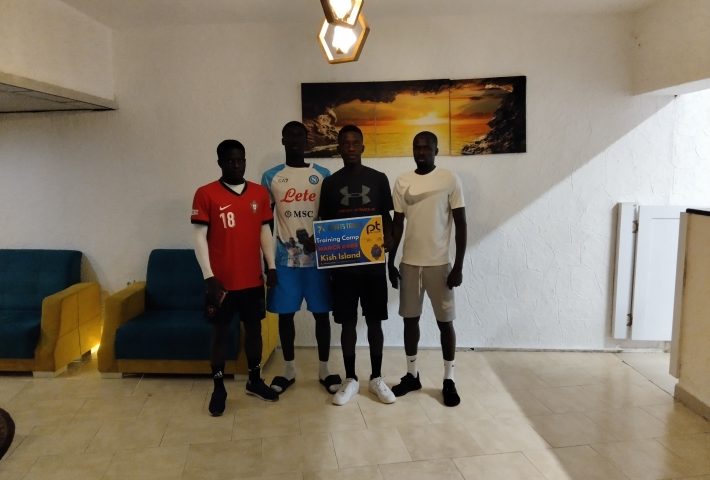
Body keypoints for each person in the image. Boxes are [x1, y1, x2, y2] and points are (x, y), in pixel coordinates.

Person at [191, 139, 279, 417]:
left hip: (252, 280)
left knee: (254, 331)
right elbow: (199, 237)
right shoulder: (206, 193)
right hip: (221, 283)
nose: (236, 165)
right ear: (220, 162)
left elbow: (265, 231)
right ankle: (218, 388)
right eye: (230, 160)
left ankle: (254, 381)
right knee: (219, 333)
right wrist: (208, 276)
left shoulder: (259, 193)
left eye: (240, 160)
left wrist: (271, 266)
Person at [261, 121, 342, 396]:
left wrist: (328, 246)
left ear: (308, 140)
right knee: (285, 316)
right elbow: (265, 224)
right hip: (285, 261)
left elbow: (330, 218)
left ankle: (324, 369)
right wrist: (269, 262)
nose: (295, 140)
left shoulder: (323, 175)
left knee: (322, 315)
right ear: (283, 140)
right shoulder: (271, 177)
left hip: (318, 262)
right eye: (290, 135)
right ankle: (288, 370)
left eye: (300, 135)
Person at [318, 124, 396, 406]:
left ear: (363, 147)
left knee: (375, 321)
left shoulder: (378, 179)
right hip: (343, 268)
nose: (350, 147)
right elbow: (326, 224)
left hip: (372, 265)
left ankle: (376, 377)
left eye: (355, 143)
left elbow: (386, 217)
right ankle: (350, 378)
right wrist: (325, 255)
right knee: (347, 322)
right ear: (338, 148)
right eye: (345, 143)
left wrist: (390, 239)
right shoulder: (330, 183)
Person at [388, 131, 467, 407]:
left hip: (440, 264)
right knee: (410, 321)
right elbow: (397, 225)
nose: (421, 152)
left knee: (445, 323)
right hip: (410, 263)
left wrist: (458, 266)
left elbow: (461, 224)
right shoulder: (402, 181)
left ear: (436, 150)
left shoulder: (449, 179)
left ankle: (449, 379)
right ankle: (412, 375)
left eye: (426, 147)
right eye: (416, 147)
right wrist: (390, 261)